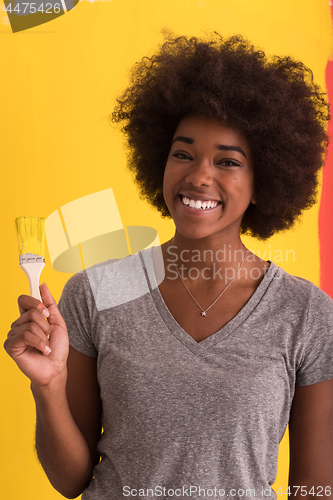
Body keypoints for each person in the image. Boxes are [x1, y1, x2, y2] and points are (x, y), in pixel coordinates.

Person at [4, 34, 333, 500]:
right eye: (183, 154)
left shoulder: (306, 315)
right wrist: (50, 385)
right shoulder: (96, 292)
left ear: (264, 183)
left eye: (228, 161)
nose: (199, 175)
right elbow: (70, 480)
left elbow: (316, 490)